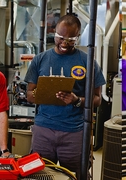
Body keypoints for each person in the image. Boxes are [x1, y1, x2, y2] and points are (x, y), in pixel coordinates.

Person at [24, 14, 106, 180]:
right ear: (54, 33)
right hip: (44, 130)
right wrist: (43, 94)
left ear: (78, 37)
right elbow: (29, 94)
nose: (64, 43)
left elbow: (98, 98)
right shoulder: (40, 60)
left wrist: (77, 100)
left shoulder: (87, 61)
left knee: (77, 175)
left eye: (70, 39)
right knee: (41, 174)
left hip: (74, 131)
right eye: (61, 37)